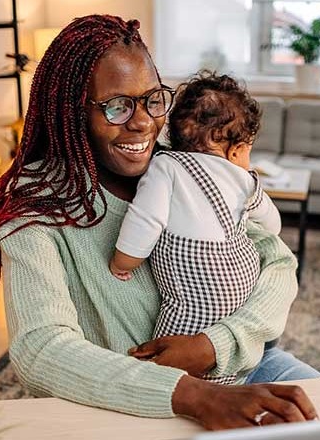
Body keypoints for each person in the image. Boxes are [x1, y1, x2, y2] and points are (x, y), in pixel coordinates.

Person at [0, 14, 320, 431]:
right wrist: (193, 395)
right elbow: (40, 349)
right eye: (116, 106)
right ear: (71, 112)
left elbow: (278, 263)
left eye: (152, 99)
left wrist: (215, 346)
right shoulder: (37, 207)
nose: (143, 122)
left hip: (249, 366)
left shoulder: (181, 160)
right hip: (136, 400)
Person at [109, 72, 282, 385]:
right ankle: (230, 376)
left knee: (170, 352)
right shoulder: (244, 178)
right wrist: (246, 174)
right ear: (237, 148)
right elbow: (273, 224)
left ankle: (168, 388)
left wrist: (124, 260)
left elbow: (146, 218)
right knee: (219, 338)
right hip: (241, 280)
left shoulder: (168, 166)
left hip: (197, 284)